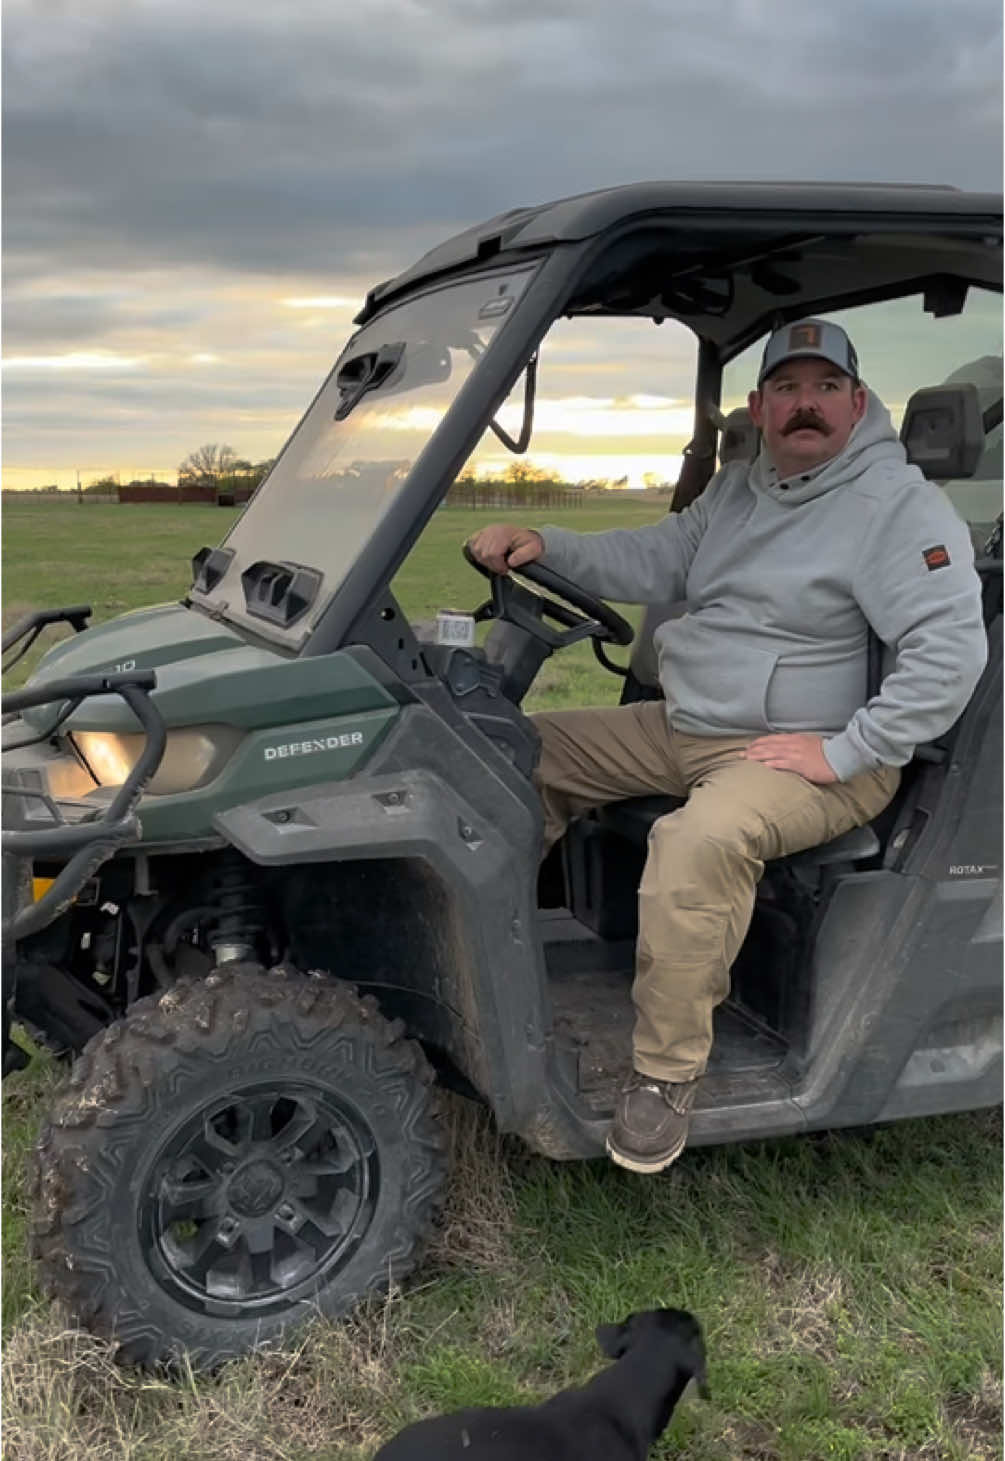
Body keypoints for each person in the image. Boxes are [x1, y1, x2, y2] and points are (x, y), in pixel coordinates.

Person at [466, 318, 988, 1174]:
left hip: (813, 752)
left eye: (824, 388)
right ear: (758, 406)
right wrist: (548, 548)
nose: (804, 405)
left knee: (697, 839)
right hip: (691, 725)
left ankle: (664, 1075)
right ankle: (490, 959)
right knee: (507, 751)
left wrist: (847, 750)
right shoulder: (741, 489)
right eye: (786, 389)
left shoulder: (895, 506)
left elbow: (950, 651)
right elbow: (656, 557)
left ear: (858, 403)